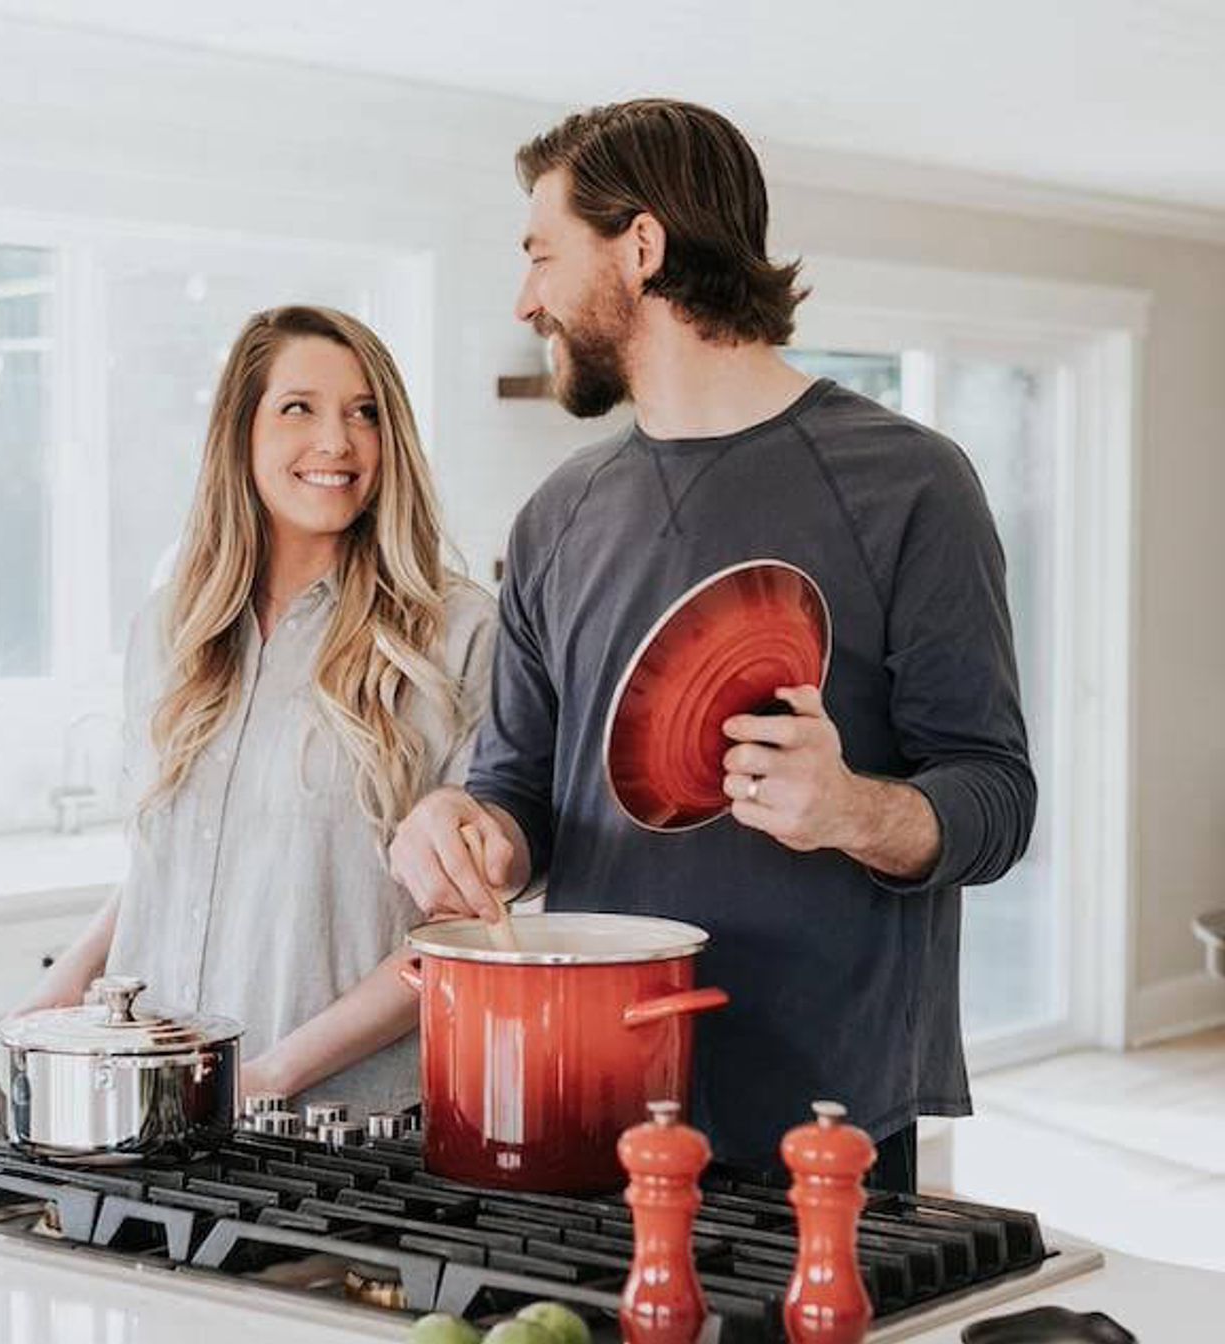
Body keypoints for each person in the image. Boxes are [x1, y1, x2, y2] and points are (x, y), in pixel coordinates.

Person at [388, 100, 1035, 1192]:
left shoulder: (910, 482)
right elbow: (520, 791)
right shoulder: (558, 511)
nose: (526, 298)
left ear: (640, 248)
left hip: (821, 1117)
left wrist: (854, 810)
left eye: (542, 254)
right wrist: (470, 831)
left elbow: (997, 797)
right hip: (589, 1096)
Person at [20, 305, 496, 1113]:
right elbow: (167, 867)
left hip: (347, 1130)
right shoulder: (171, 626)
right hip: (159, 1115)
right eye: (298, 408)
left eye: (364, 413)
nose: (337, 442)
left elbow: (466, 932)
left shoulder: (454, 636)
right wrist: (46, 1013)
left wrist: (269, 1075)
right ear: (240, 433)